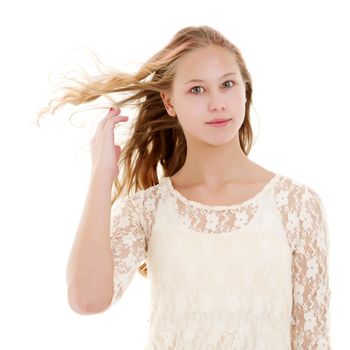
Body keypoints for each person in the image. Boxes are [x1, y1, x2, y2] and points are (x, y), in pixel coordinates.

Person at [37, 25, 331, 349]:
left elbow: (312, 340)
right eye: (197, 89)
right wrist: (101, 174)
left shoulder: (297, 205)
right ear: (169, 102)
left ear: (245, 91)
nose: (217, 103)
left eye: (227, 84)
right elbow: (87, 299)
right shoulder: (147, 211)